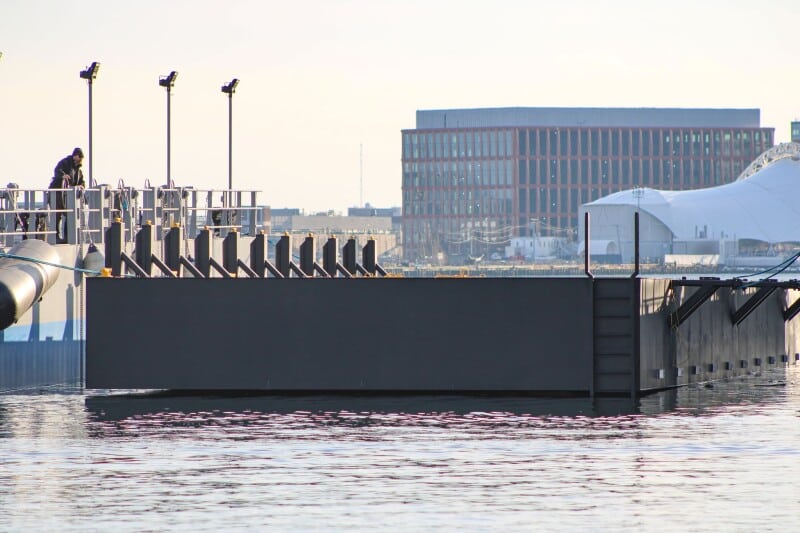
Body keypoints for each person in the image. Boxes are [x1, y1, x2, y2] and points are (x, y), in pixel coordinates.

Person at [49, 147, 86, 243]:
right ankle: (55, 235)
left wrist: (81, 186)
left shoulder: (78, 170)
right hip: (57, 193)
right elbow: (57, 170)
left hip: (68, 196)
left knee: (69, 215)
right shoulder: (66, 162)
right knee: (57, 215)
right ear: (76, 156)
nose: (81, 160)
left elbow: (81, 181)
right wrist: (63, 176)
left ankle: (67, 236)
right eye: (80, 157)